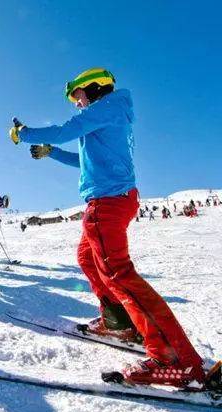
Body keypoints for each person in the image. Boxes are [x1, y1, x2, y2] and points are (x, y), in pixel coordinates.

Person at [10, 67, 205, 388]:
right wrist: (52, 152)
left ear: (95, 89)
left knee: (119, 274)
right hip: (112, 200)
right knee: (88, 259)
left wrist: (24, 133)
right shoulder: (110, 114)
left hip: (107, 203)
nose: (76, 103)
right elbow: (82, 160)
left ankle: (176, 359)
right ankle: (119, 323)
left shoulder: (105, 108)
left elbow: (62, 130)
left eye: (77, 95)